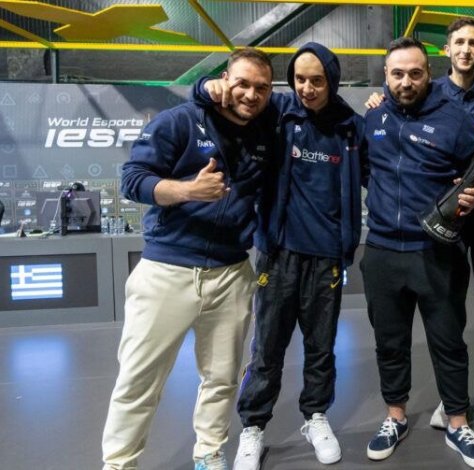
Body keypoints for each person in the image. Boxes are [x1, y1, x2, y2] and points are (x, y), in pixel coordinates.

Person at [102, 47, 276, 470]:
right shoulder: (179, 121)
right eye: (242, 83)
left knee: (222, 378)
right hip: (166, 271)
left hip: (231, 273)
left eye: (261, 87)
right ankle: (119, 463)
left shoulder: (265, 129)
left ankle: (209, 455)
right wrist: (186, 191)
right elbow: (132, 180)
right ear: (224, 80)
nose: (251, 94)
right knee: (138, 379)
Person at [193, 43, 364, 468]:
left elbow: (381, 160)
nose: (307, 88)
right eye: (300, 79)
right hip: (279, 254)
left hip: (327, 258)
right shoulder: (278, 112)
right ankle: (253, 427)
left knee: (321, 348)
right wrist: (204, 85)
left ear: (332, 81)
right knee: (267, 349)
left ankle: (316, 415)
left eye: (316, 80)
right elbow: (225, 98)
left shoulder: (349, 128)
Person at [365, 16, 474, 428]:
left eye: (415, 73)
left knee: (448, 342)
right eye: (397, 74)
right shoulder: (373, 117)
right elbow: (364, 171)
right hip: (382, 251)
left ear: (429, 73)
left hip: (437, 250)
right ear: (386, 75)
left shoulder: (454, 118)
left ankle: (458, 422)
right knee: (390, 343)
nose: (406, 82)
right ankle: (395, 417)